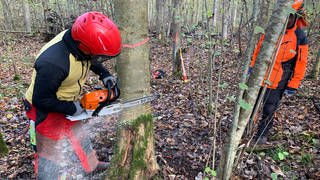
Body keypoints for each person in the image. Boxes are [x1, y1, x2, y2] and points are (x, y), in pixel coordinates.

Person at [23, 11, 121, 179]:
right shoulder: (53, 63)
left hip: (68, 99)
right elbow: (41, 99)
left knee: (81, 134)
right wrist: (72, 107)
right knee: (50, 150)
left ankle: (92, 165)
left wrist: (105, 74)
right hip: (44, 107)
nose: (98, 59)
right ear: (83, 47)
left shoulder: (78, 40)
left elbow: (91, 59)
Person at [249, 0, 309, 144]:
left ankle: (262, 133)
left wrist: (293, 84)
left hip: (279, 78)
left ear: (295, 17)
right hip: (260, 74)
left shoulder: (300, 37)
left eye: (290, 16)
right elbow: (259, 48)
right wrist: (252, 66)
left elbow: (301, 63)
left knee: (269, 107)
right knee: (251, 102)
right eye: (284, 15)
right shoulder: (272, 29)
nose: (286, 20)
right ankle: (247, 127)